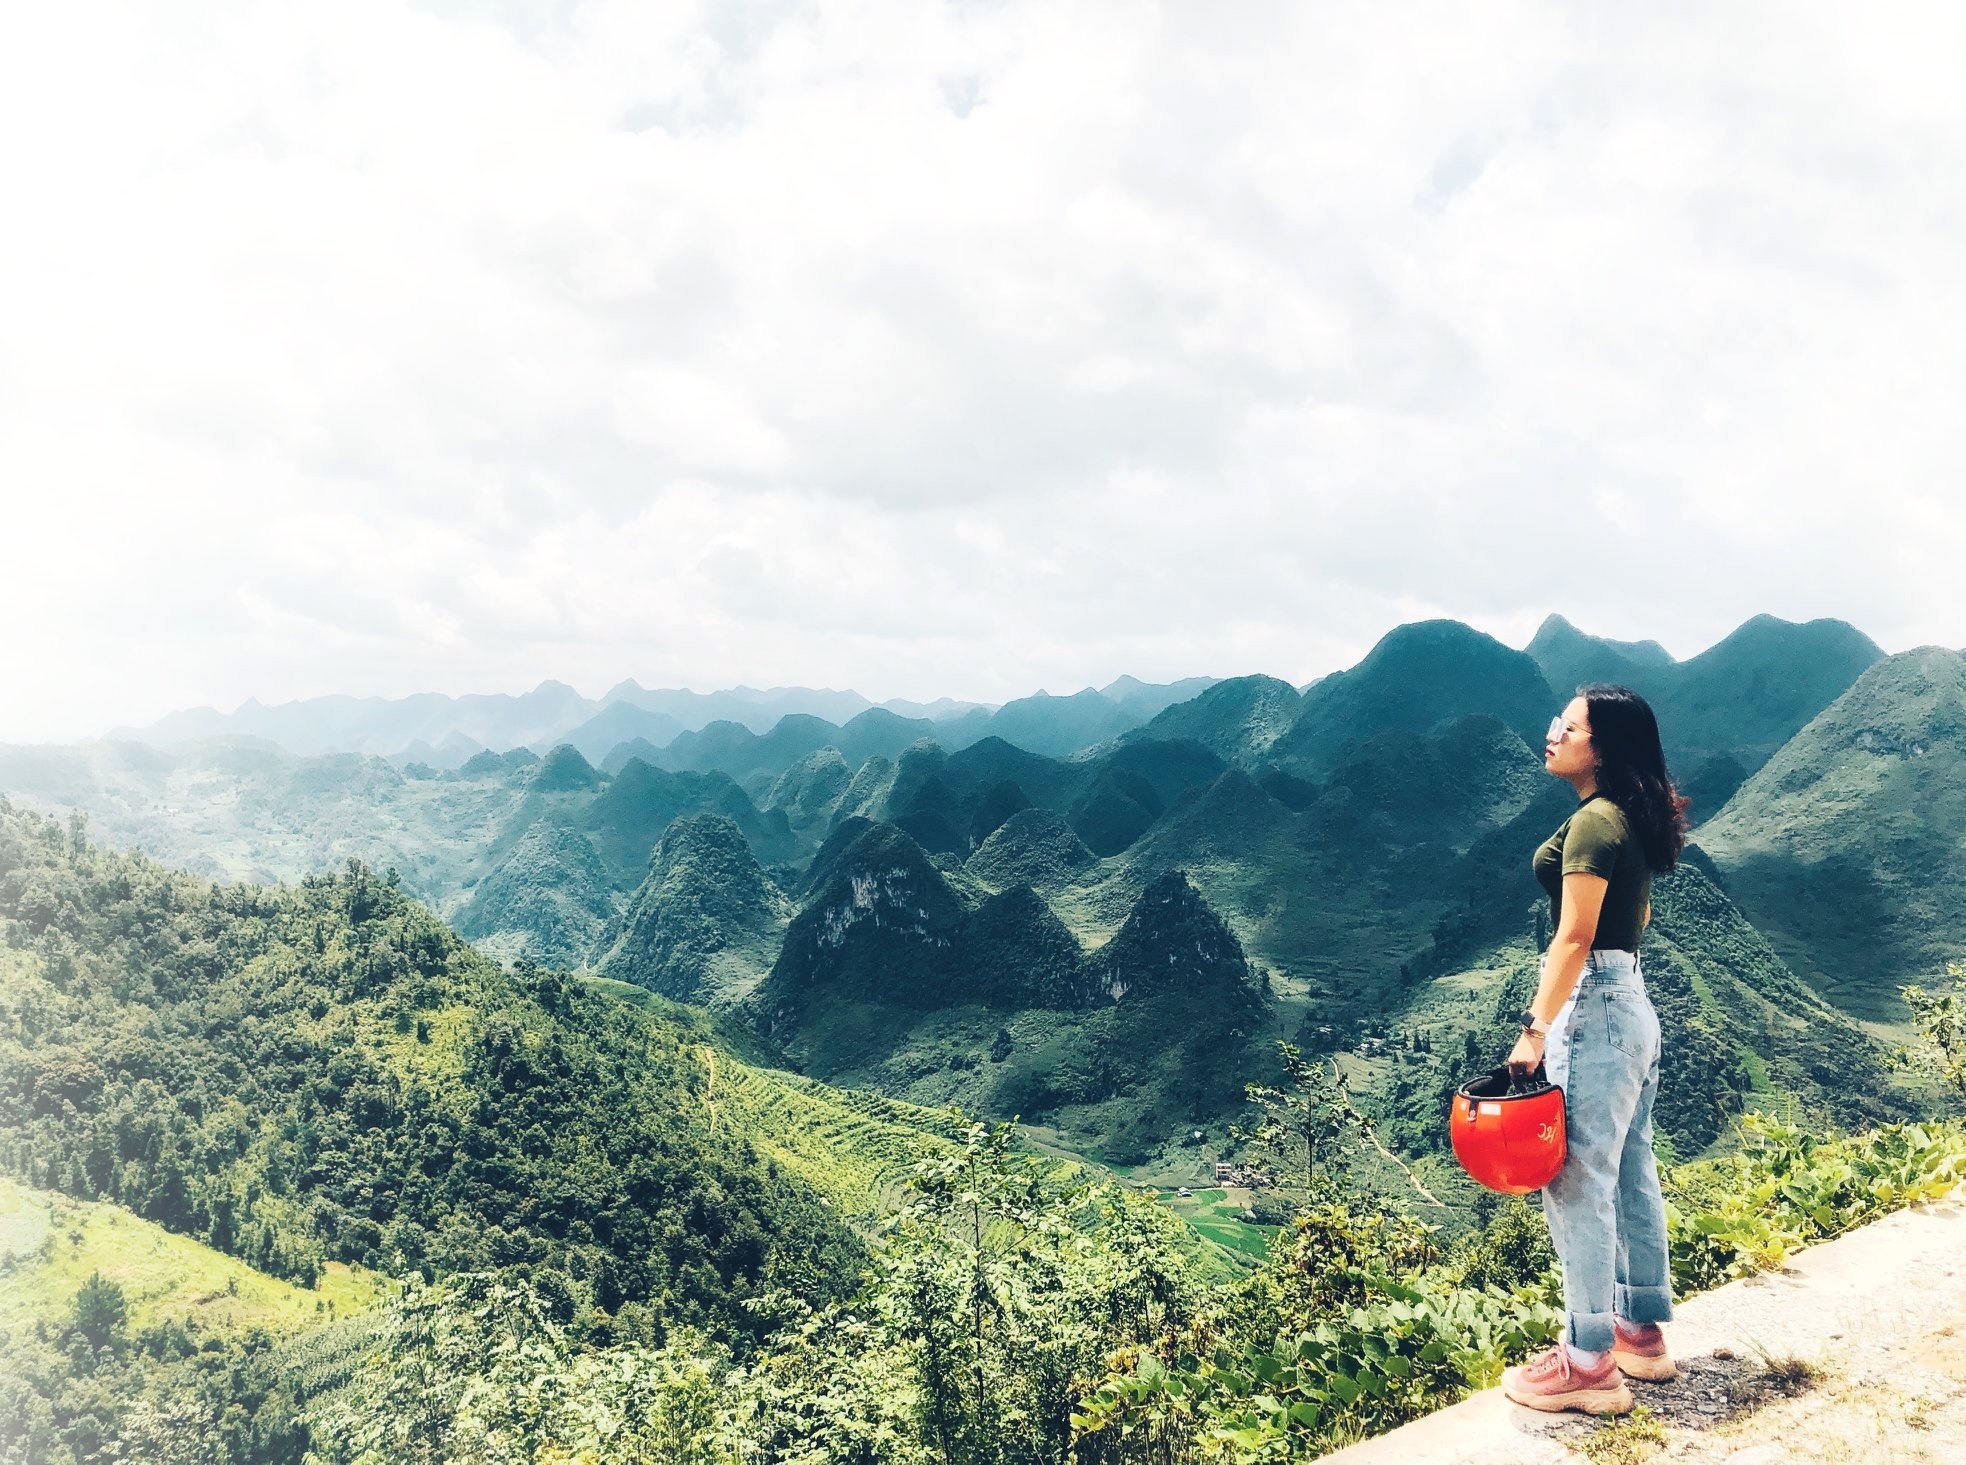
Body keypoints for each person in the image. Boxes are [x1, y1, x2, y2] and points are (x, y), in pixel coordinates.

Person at [1500, 684, 1689, 1416]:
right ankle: (1639, 1330)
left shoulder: (1593, 823)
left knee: (1575, 1178)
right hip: (1632, 1000)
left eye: (1569, 727)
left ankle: (1586, 1362)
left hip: (1595, 1006)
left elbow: (1574, 935)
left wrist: (1535, 1028)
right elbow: (1632, 916)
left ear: (1601, 747)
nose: (1553, 732)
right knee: (1631, 1167)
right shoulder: (1627, 815)